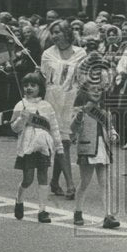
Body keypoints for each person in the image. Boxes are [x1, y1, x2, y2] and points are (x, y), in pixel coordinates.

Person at [41, 20, 86, 201]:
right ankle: (69, 184)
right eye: (53, 32)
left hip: (71, 101)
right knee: (62, 142)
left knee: (64, 141)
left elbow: (83, 78)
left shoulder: (81, 53)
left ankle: (54, 181)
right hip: (52, 100)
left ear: (67, 32)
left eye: (58, 31)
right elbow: (45, 78)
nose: (55, 35)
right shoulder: (47, 54)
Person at [10, 71, 61, 223]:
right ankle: (19, 199)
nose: (29, 88)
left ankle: (42, 210)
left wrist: (59, 146)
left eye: (33, 85)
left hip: (44, 147)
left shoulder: (46, 106)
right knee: (28, 179)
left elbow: (54, 127)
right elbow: (14, 128)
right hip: (28, 146)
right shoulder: (21, 104)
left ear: (40, 88)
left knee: (43, 177)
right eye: (26, 85)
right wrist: (21, 119)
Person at [70, 79, 122, 229]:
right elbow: (73, 130)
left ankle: (108, 215)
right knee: (85, 182)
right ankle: (78, 211)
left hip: (103, 149)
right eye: (93, 89)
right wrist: (78, 117)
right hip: (87, 149)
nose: (96, 91)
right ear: (85, 92)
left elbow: (110, 127)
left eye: (99, 89)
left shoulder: (105, 112)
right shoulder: (80, 110)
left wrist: (113, 134)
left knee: (105, 183)